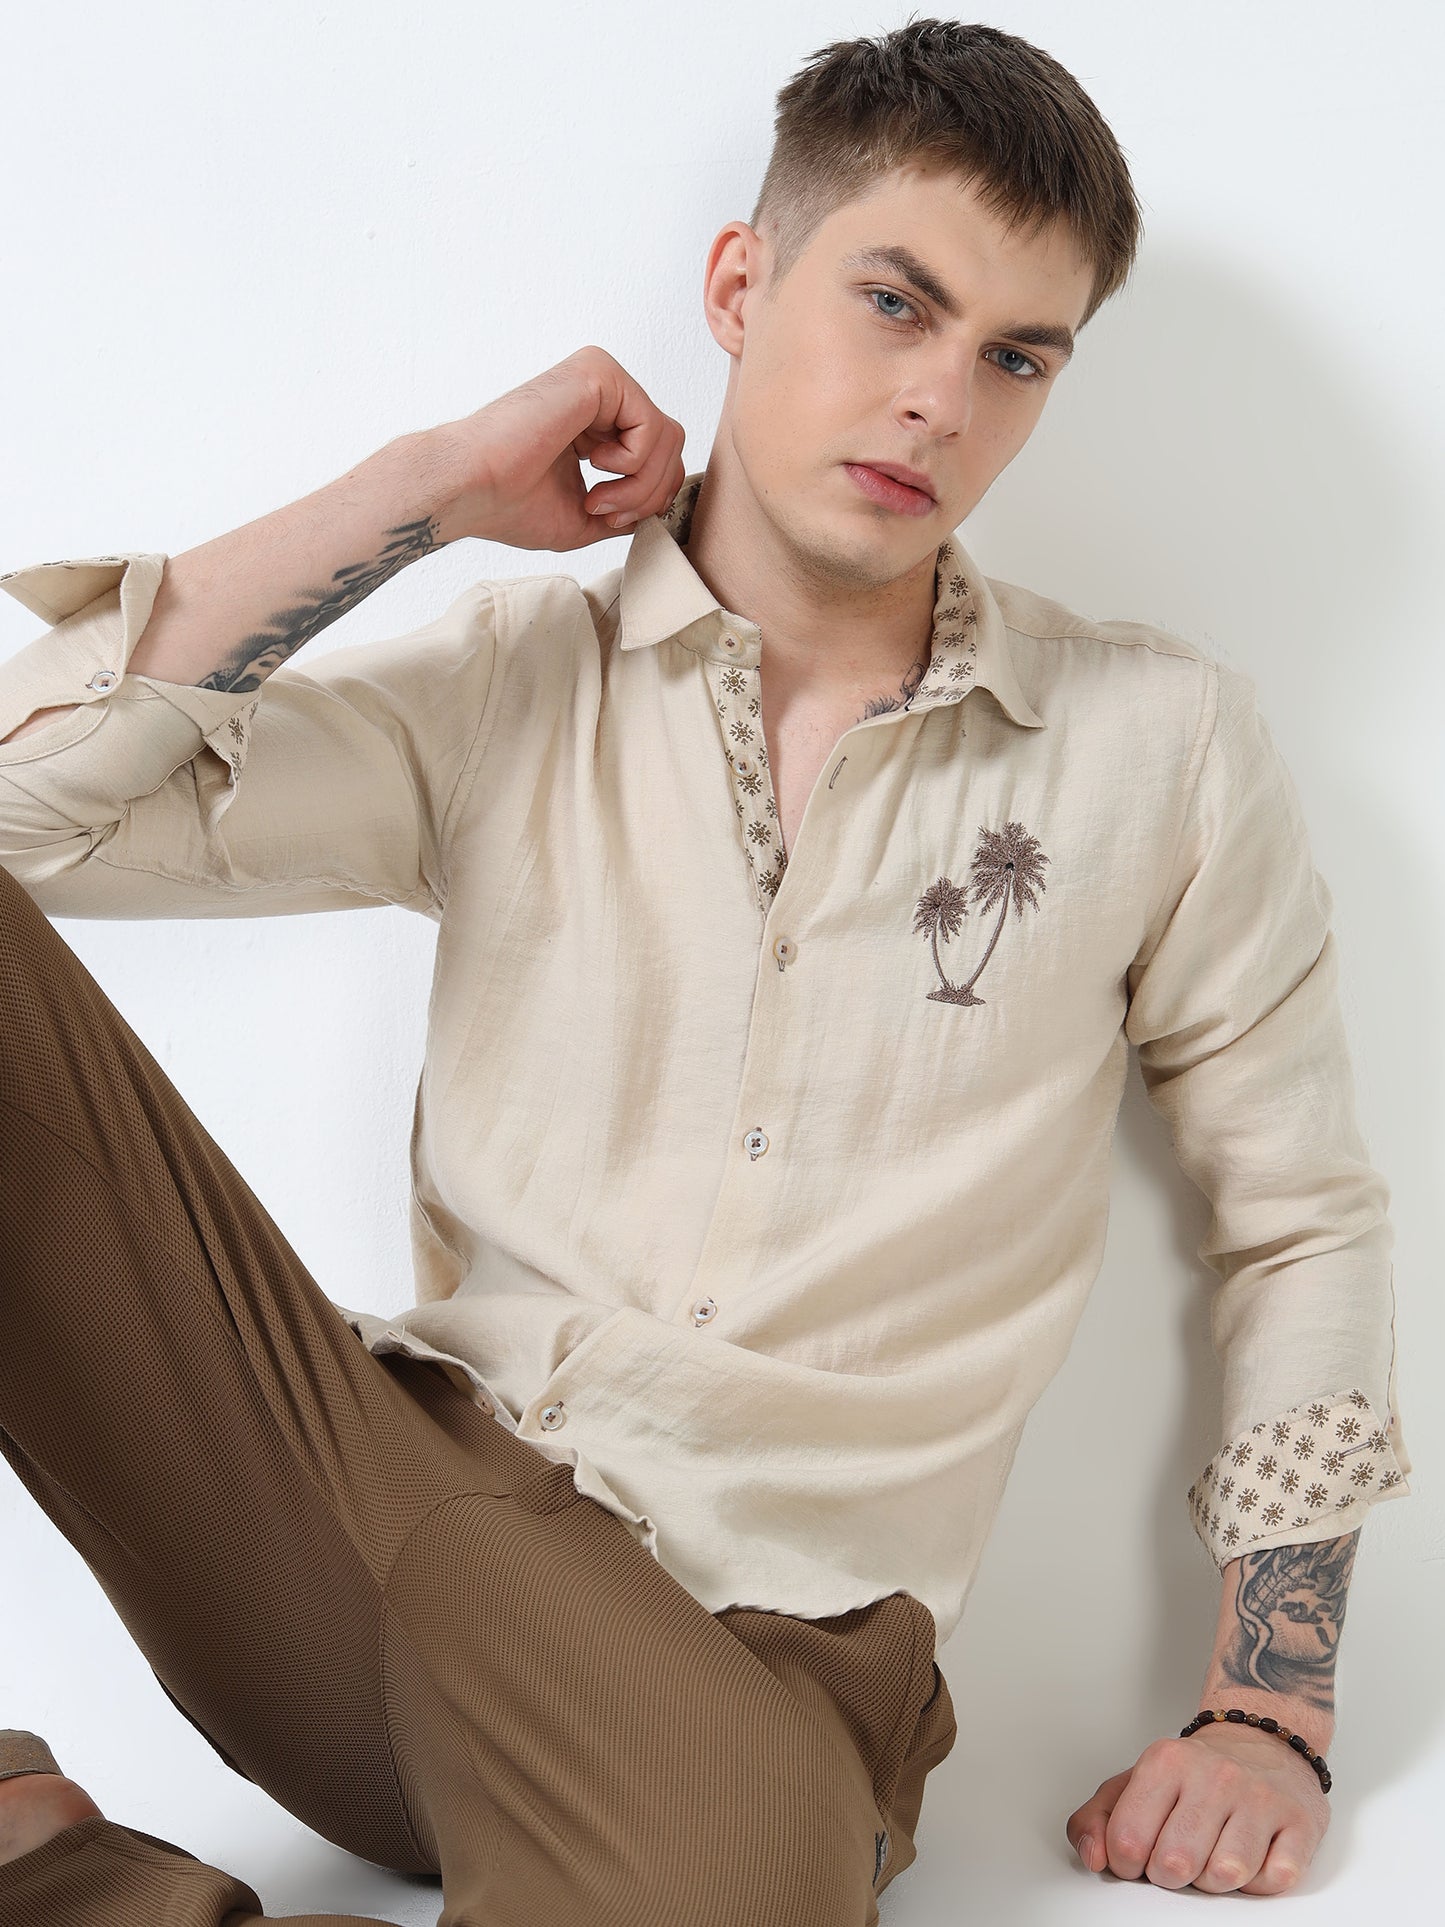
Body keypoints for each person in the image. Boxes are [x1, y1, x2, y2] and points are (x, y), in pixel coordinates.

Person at [0, 14, 1411, 1922]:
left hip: (771, 1655)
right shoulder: (511, 683)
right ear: (741, 287)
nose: (939, 402)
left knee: (731, 1865)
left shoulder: (1154, 750)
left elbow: (1299, 1219)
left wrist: (1268, 1713)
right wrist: (419, 489)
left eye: (1015, 358)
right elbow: (28, 811)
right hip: (375, 1528)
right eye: (895, 305)